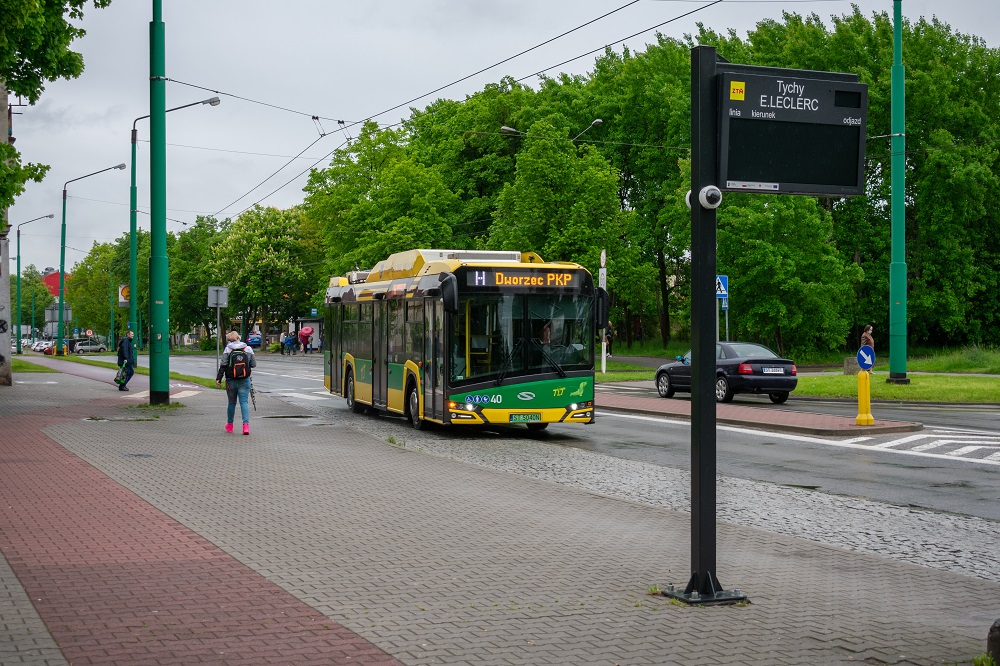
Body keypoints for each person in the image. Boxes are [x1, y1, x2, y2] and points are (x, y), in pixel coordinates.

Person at [215, 330, 257, 435]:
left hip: (231, 380)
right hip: (244, 379)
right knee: (244, 402)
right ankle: (246, 426)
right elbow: (253, 364)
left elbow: (223, 365)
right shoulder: (248, 348)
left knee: (231, 403)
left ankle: (230, 425)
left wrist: (219, 379)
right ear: (238, 337)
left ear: (229, 340)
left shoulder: (228, 349)